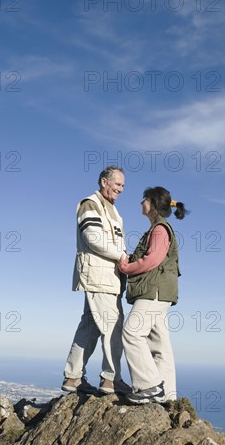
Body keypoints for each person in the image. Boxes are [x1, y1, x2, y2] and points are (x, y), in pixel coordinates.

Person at [62, 166, 131, 395]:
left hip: (107, 278)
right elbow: (92, 238)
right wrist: (122, 256)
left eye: (122, 185)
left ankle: (72, 378)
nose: (120, 189)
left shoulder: (112, 210)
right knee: (113, 327)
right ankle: (111, 379)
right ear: (104, 181)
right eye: (117, 184)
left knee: (90, 326)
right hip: (99, 277)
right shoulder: (90, 204)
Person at [118, 186, 187, 404]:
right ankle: (167, 396)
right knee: (159, 344)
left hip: (153, 292)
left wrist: (125, 268)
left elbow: (151, 260)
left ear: (153, 204)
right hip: (162, 293)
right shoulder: (158, 229)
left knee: (131, 333)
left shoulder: (159, 230)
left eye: (144, 199)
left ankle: (148, 387)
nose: (141, 203)